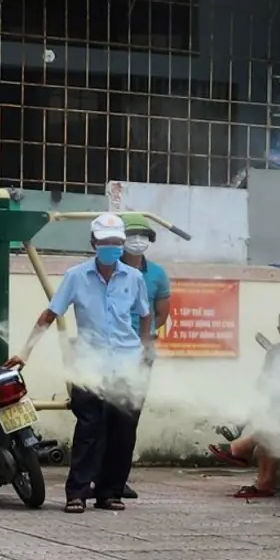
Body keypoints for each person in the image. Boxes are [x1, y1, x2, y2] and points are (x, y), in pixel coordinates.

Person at [10, 214, 153, 513]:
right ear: (93, 244)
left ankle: (110, 492)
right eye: (105, 242)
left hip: (127, 364)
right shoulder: (76, 276)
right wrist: (25, 352)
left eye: (116, 242)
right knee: (90, 428)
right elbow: (49, 315)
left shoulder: (134, 277)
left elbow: (145, 313)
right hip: (88, 364)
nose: (111, 247)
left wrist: (144, 347)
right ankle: (77, 493)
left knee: (123, 432)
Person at [209, 309, 280, 499]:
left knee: (272, 424)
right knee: (270, 417)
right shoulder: (276, 352)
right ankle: (261, 478)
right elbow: (263, 384)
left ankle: (243, 447)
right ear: (279, 330)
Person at [117, 213, 171, 501]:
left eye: (143, 236)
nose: (137, 241)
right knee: (102, 419)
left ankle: (119, 479)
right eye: (131, 235)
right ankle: (97, 477)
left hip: (141, 353)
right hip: (110, 351)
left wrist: (144, 337)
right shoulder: (108, 269)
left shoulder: (157, 274)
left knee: (129, 419)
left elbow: (162, 312)